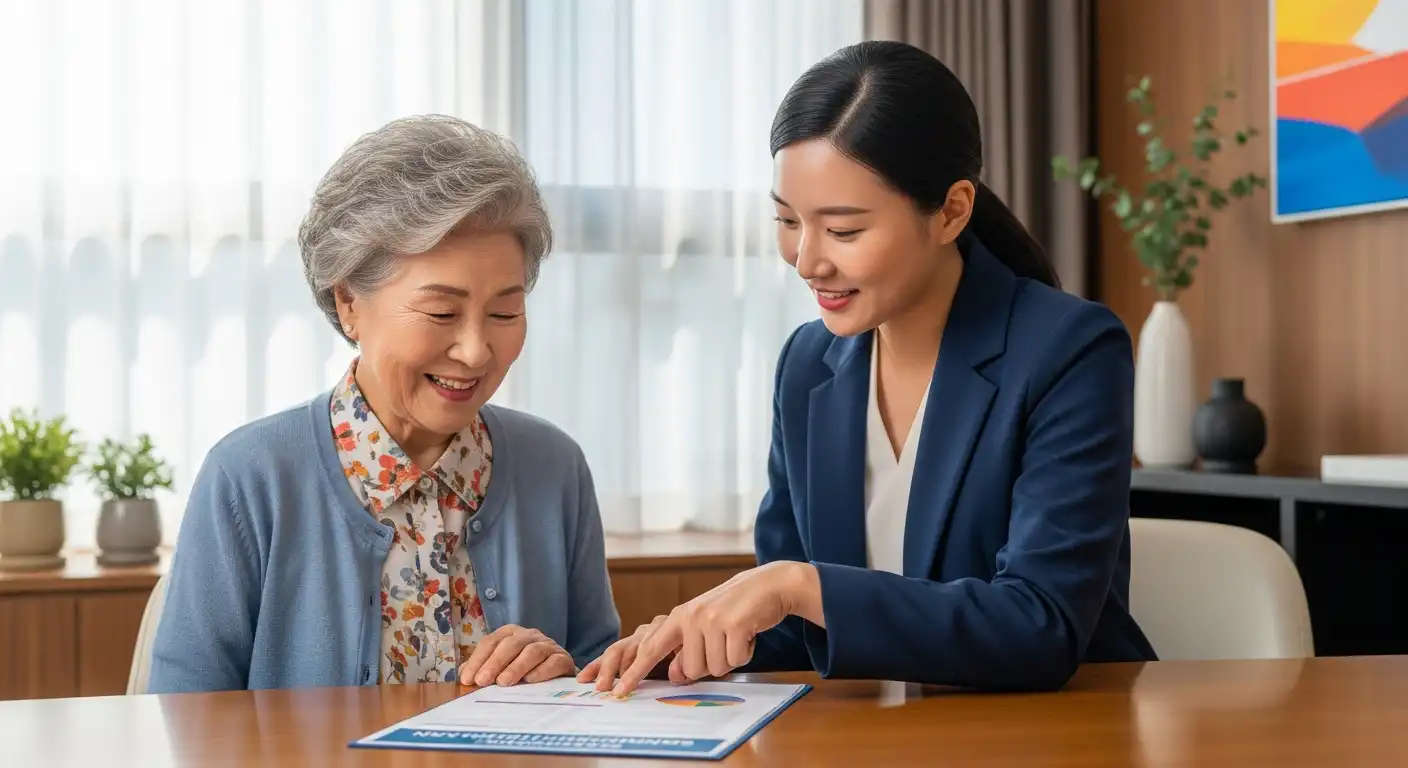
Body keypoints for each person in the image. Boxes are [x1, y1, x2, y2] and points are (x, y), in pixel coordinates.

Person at [580, 41, 1157, 695]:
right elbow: (792, 632)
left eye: (844, 231)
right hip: (871, 737)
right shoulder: (807, 364)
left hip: (1046, 740)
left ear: (952, 211)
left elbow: (1039, 627)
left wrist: (799, 585)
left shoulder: (1069, 351)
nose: (806, 260)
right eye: (787, 220)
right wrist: (687, 640)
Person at [148, 115, 620, 693]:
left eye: (504, 312)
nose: (475, 351)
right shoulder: (250, 479)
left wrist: (565, 675)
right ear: (349, 301)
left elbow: (604, 689)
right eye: (441, 312)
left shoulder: (555, 468)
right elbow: (182, 723)